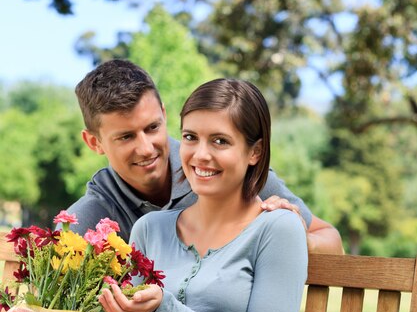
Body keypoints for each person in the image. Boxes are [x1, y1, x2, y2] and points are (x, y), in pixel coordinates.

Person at [34, 77, 309, 312]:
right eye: (191, 137)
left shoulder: (278, 228)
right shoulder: (151, 230)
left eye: (221, 141)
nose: (200, 155)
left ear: (255, 153)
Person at [64, 59, 343, 255]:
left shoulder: (230, 173)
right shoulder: (89, 217)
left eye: (152, 128)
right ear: (94, 142)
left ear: (163, 113)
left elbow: (332, 242)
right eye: (126, 137)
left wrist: (296, 239)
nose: (146, 148)